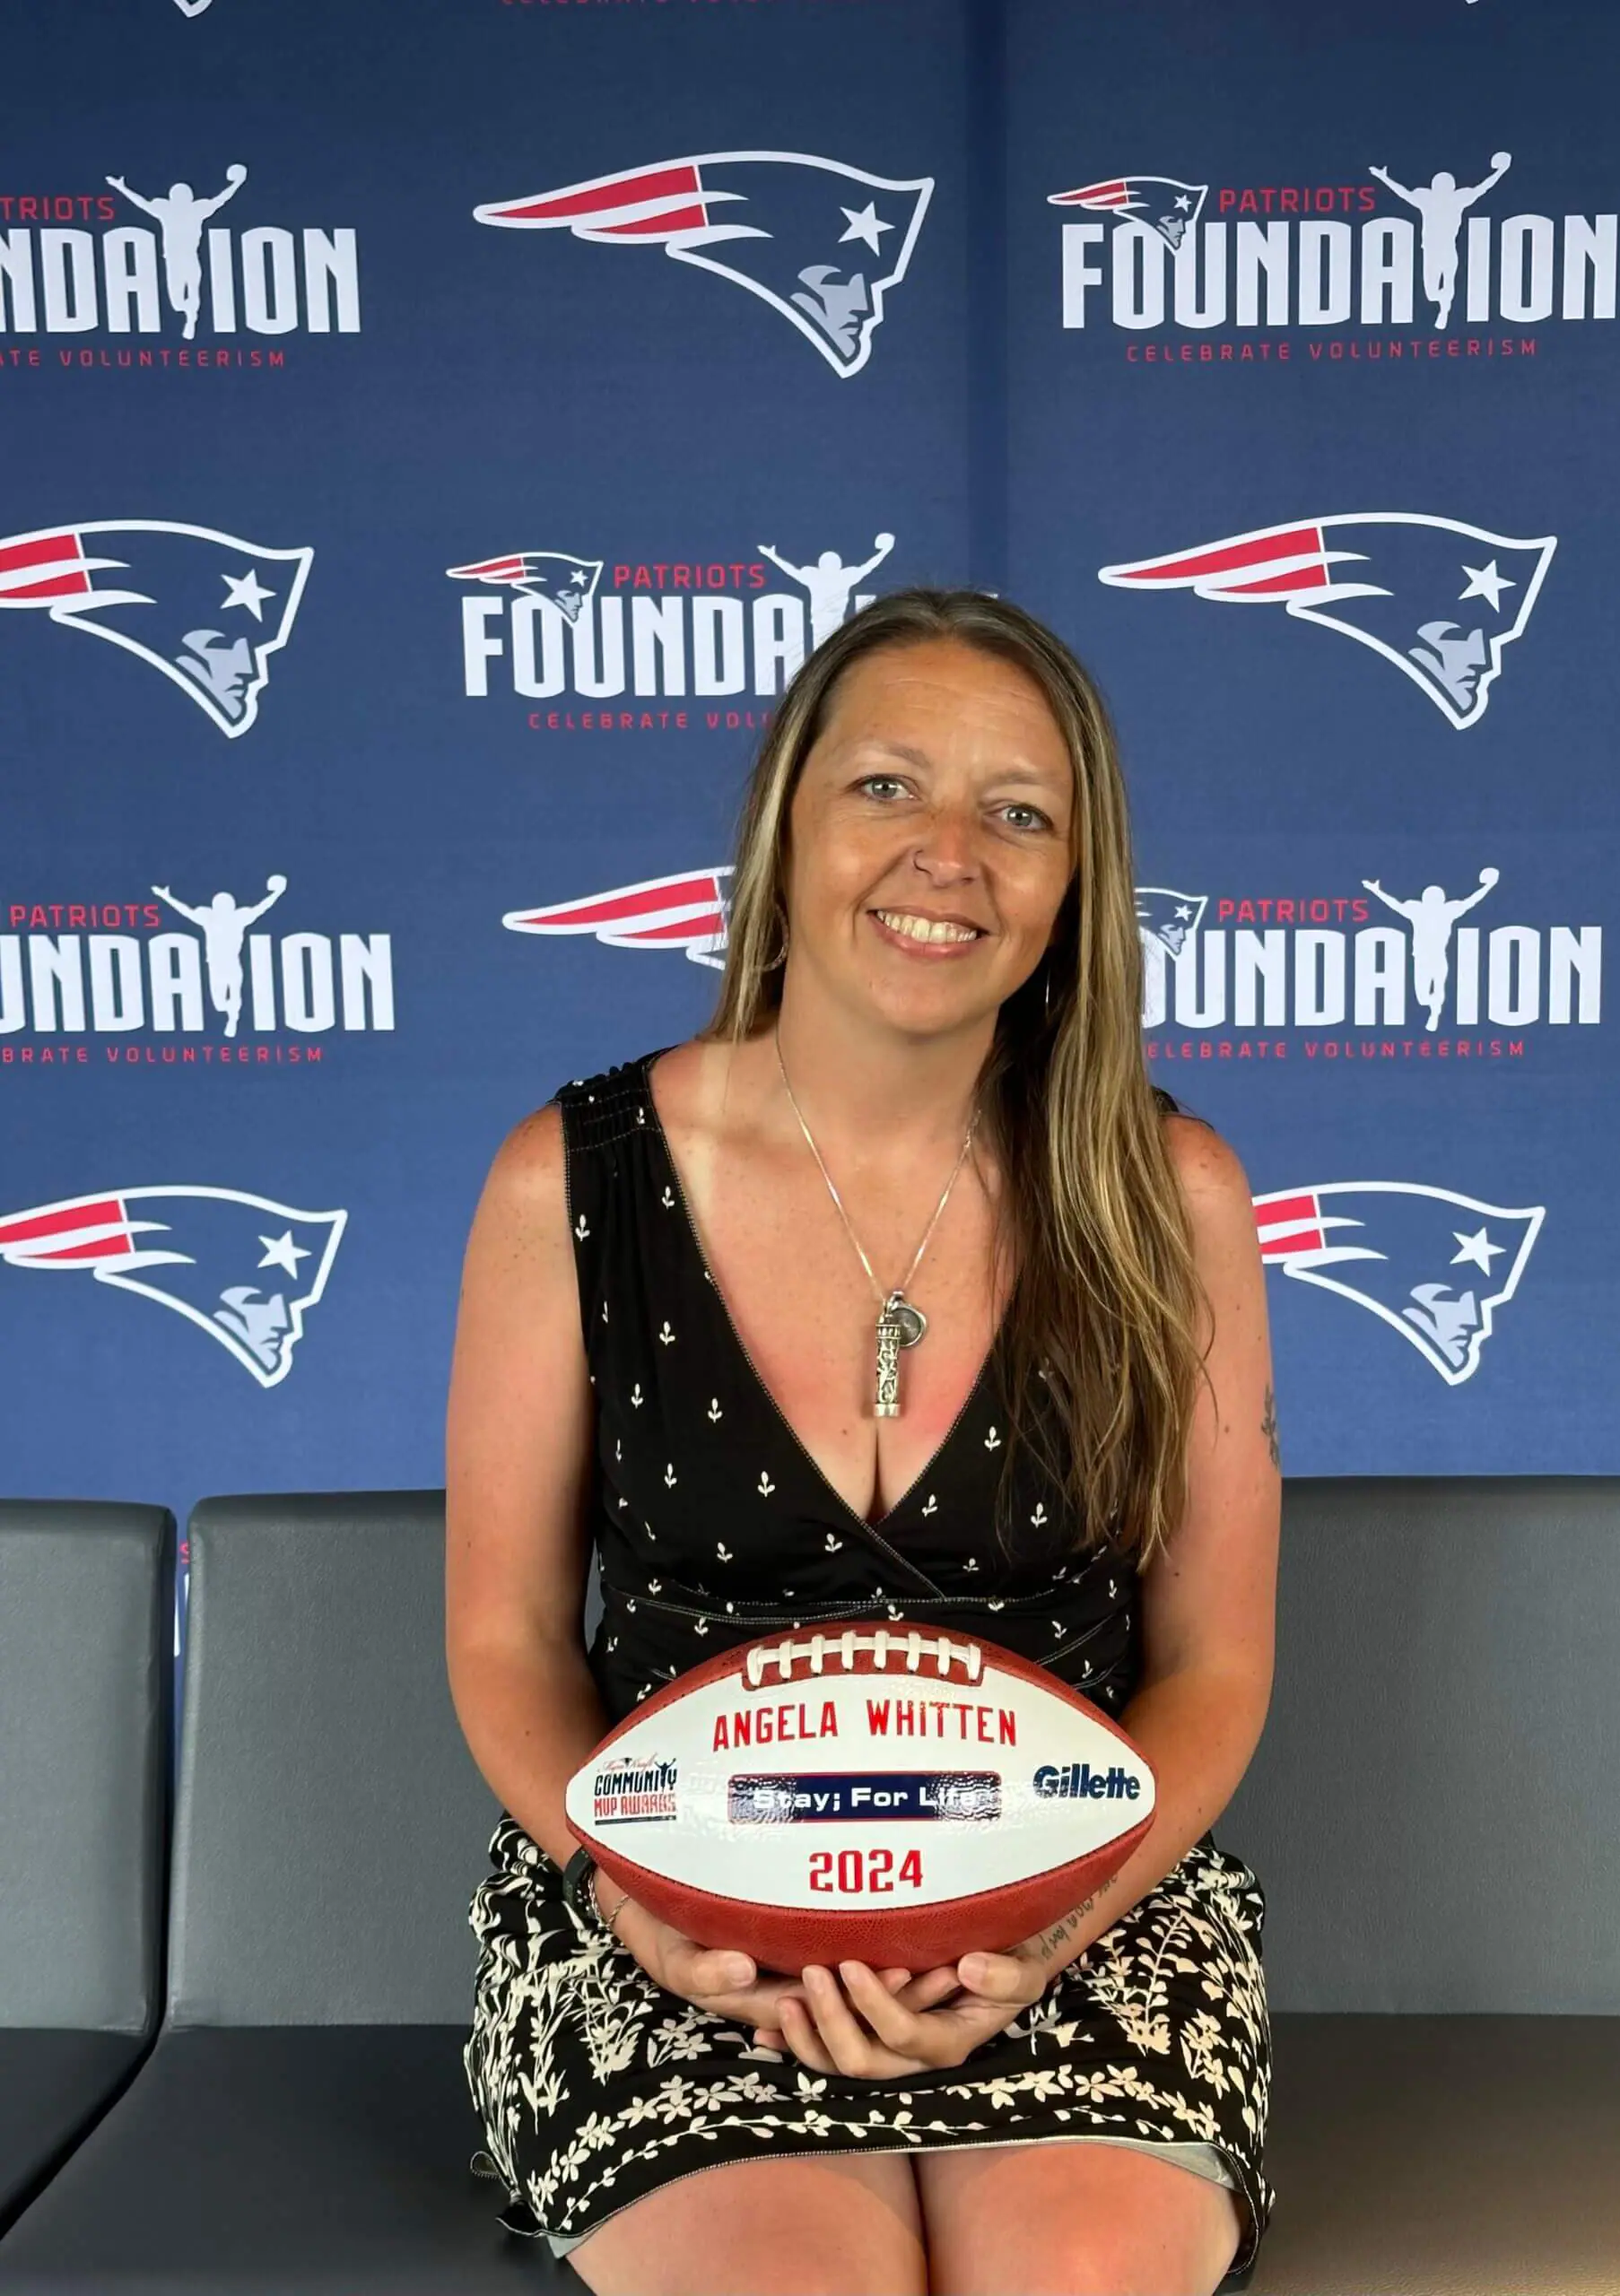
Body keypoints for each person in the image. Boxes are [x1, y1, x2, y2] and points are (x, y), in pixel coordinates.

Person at [446, 588, 1281, 2293]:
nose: (949, 855)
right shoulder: (573, 1179)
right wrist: (638, 1899)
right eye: (888, 788)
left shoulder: (1169, 1193)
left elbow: (1216, 1661)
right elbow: (506, 1634)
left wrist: (1062, 1915)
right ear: (789, 823)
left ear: (1073, 885)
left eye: (1019, 813)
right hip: (667, 1911)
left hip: (1076, 1904)